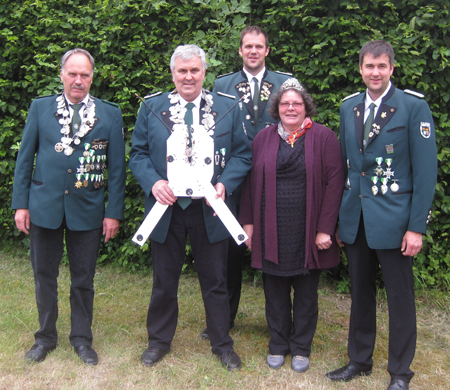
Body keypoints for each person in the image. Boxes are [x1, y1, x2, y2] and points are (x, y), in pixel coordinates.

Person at [129, 44, 251, 371]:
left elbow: (242, 154)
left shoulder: (227, 107)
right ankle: (158, 342)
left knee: (215, 280)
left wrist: (225, 184)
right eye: (182, 71)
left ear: (204, 73)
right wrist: (154, 182)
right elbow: (138, 153)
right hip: (166, 208)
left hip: (209, 211)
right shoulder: (152, 108)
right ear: (172, 74)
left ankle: (222, 344)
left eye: (194, 70)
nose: (188, 77)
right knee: (164, 280)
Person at [325, 40, 437, 390]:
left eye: (382, 66)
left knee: (400, 300)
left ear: (392, 68)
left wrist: (416, 227)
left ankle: (400, 372)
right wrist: (341, 220)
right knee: (360, 295)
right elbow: (346, 168)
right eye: (369, 66)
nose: (375, 72)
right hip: (356, 220)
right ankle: (359, 359)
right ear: (360, 69)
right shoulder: (349, 108)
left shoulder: (412, 107)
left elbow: (425, 171)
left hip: (395, 221)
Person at [12, 48, 126, 365]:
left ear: (92, 78)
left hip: (87, 208)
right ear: (61, 74)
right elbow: (24, 161)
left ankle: (81, 338)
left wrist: (113, 212)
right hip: (44, 206)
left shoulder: (109, 114)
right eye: (73, 74)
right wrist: (20, 204)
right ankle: (45, 337)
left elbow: (117, 168)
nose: (78, 80)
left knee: (83, 279)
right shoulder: (40, 108)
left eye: (84, 75)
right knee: (44, 274)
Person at [239, 78, 345, 372]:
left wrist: (325, 227)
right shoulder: (262, 138)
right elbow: (249, 184)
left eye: (296, 103)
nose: (290, 108)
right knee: (274, 291)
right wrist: (247, 224)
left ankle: (301, 348)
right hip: (270, 228)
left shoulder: (324, 138)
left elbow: (335, 184)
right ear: (277, 108)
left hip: (307, 230)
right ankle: (278, 344)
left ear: (305, 106)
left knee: (306, 293)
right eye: (285, 103)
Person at [203, 25, 292, 340]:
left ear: (267, 51)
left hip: (277, 180)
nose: (253, 51)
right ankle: (223, 319)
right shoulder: (222, 84)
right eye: (248, 46)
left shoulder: (286, 83)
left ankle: (279, 326)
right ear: (240, 51)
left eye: (259, 46)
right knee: (227, 252)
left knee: (276, 248)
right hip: (234, 180)